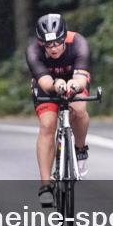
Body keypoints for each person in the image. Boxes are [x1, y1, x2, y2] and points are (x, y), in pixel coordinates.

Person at [25, 13, 92, 207]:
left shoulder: (78, 42)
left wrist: (73, 84)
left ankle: (80, 149)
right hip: (48, 84)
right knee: (47, 124)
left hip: (74, 81)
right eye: (48, 45)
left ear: (65, 38)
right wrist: (57, 85)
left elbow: (81, 79)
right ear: (41, 43)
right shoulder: (33, 51)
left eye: (57, 43)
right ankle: (46, 185)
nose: (53, 48)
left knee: (79, 110)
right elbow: (45, 83)